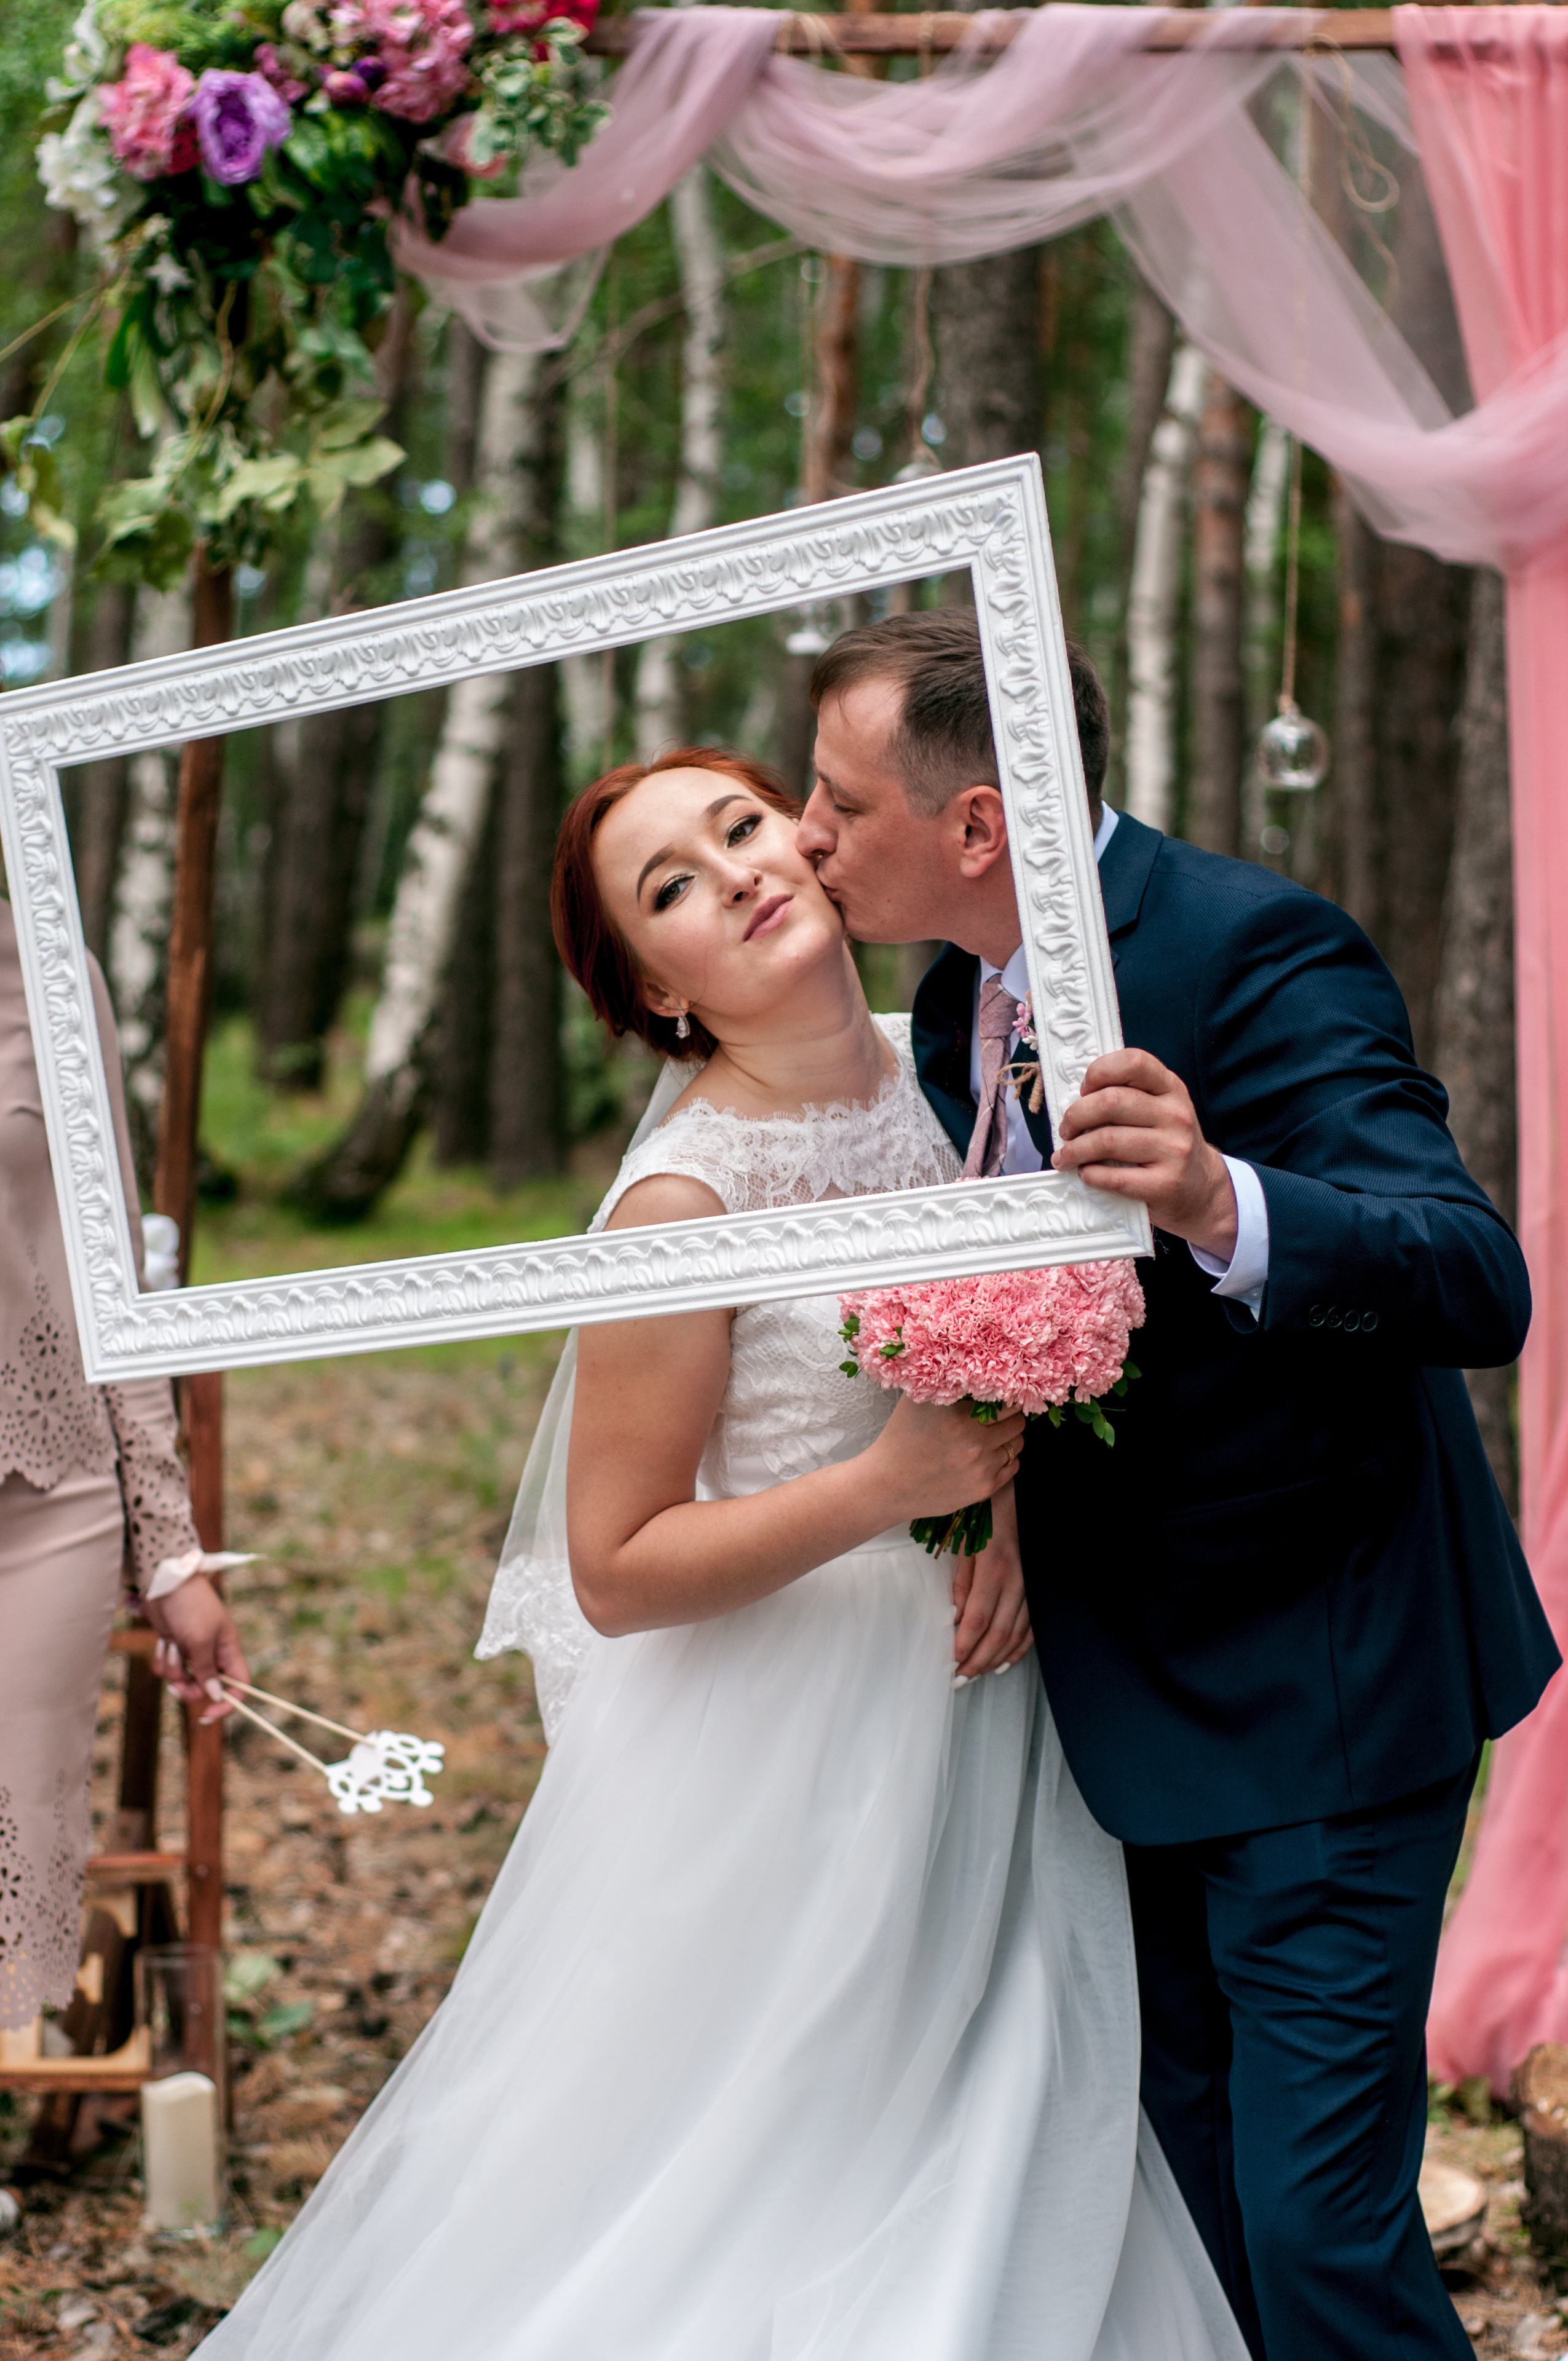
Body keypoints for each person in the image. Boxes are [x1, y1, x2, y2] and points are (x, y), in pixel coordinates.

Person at [196, 749, 1246, 2361]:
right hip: (785, 1743)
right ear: (651, 989)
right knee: (775, 2170)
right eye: (670, 887)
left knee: (1005, 2118)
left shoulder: (949, 1067)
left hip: (982, 1701)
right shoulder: (680, 1200)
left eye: (742, 826)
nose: (737, 873)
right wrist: (892, 1487)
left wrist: (1004, 1514)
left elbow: (1006, 1356)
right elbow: (611, 1563)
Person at [796, 606, 1559, 2361]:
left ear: (975, 826)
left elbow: (1470, 1281)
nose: (808, 834)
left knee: (1313, 2234)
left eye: (837, 802)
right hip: (1114, 1697)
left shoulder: (1248, 947)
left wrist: (1222, 1201)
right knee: (1184, 2195)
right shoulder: (945, 1007)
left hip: (1322, 1678)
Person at [0, 894, 248, 2038]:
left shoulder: (49, 968)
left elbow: (110, 1268)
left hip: (47, 1495)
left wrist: (171, 1553)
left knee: (21, 1841)